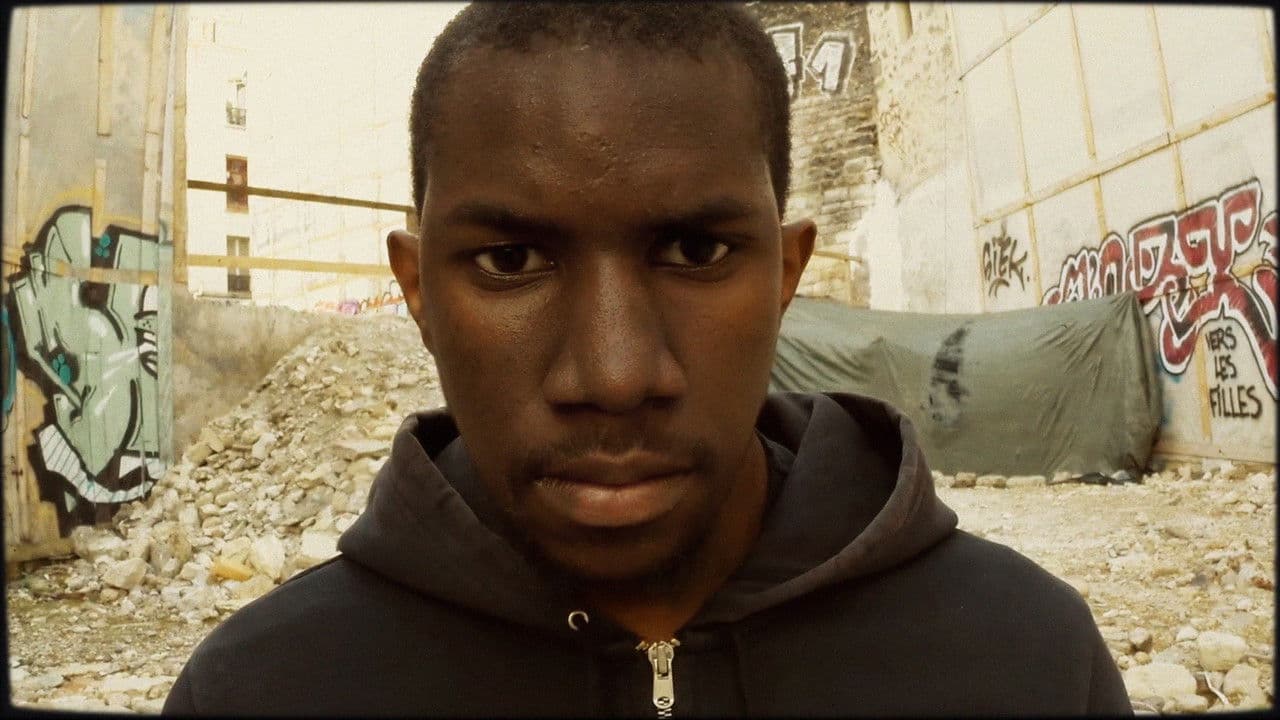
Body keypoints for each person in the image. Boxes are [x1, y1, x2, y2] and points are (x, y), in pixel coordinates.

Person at [164, 3, 1132, 716]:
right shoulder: (262, 689)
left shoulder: (1027, 661)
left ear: (786, 272)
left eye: (695, 251)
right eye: (512, 260)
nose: (615, 376)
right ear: (417, 291)